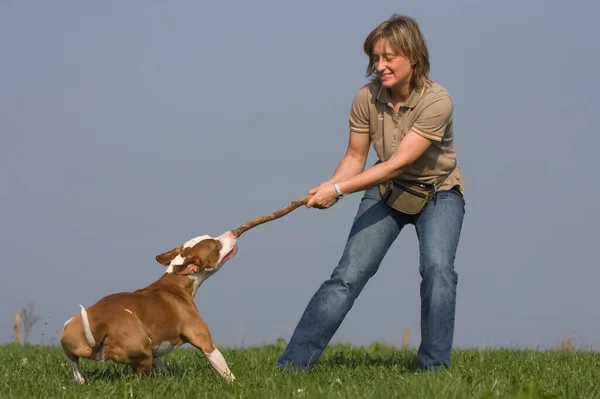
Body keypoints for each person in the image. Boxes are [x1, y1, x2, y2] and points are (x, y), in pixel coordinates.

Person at [277, 14, 466, 372]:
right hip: (386, 193)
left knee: (438, 271)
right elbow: (354, 157)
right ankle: (291, 367)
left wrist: (338, 188)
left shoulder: (438, 101)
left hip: (438, 193)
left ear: (413, 56)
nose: (379, 66)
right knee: (347, 275)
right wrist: (329, 187)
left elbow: (397, 163)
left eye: (388, 57)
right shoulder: (366, 98)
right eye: (374, 58)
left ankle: (433, 370)